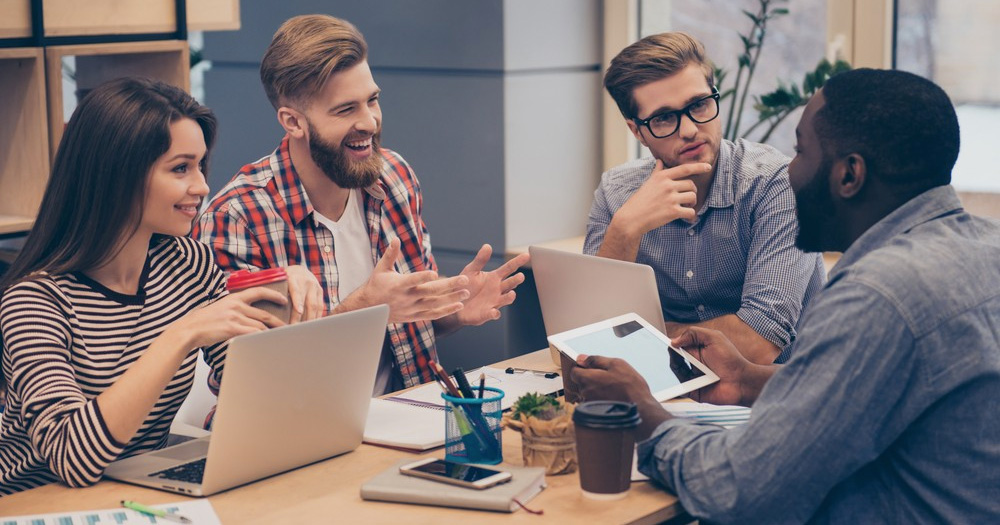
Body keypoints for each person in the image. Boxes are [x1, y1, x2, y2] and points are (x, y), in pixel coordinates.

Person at [572, 68, 1000, 522]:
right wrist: (747, 379)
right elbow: (870, 394)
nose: (789, 171)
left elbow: (739, 491)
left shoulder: (879, 296)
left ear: (850, 175)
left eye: (800, 152)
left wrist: (644, 413)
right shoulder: (984, 248)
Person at [194, 14, 529, 393]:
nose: (369, 121)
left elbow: (412, 322)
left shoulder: (395, 178)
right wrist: (361, 309)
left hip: (406, 415)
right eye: (345, 109)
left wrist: (452, 312)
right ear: (292, 122)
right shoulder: (236, 217)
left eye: (372, 100)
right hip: (299, 435)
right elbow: (251, 379)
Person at [0, 78, 291, 494]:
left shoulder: (189, 264)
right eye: (180, 168)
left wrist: (286, 315)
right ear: (118, 173)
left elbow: (256, 389)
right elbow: (72, 459)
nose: (203, 186)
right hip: (38, 504)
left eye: (200, 165)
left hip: (136, 492)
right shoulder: (35, 302)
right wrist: (181, 334)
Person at [587, 32, 825, 364]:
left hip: (778, 396)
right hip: (662, 390)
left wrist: (642, 334)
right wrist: (626, 228)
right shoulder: (616, 193)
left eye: (699, 104)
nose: (688, 130)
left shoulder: (776, 183)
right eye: (664, 118)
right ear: (637, 131)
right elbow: (589, 333)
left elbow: (759, 343)